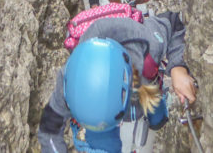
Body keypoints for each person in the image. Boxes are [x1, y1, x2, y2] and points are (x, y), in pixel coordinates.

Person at [37, 13, 197, 153]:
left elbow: (175, 23)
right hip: (105, 123)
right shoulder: (70, 80)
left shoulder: (148, 43)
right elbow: (49, 130)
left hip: (143, 87)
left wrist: (177, 67)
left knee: (157, 120)